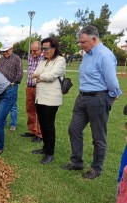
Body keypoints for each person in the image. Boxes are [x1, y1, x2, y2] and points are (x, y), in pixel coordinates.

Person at [61, 25, 122, 179]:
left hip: (98, 99)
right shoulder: (87, 54)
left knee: (98, 137)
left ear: (94, 39)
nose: (80, 45)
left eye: (83, 42)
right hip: (82, 98)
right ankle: (76, 162)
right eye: (79, 42)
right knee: (74, 129)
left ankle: (96, 168)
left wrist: (113, 95)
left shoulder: (105, 55)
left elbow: (112, 81)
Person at [31, 37, 66, 164]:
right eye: (43, 48)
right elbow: (33, 76)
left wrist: (39, 77)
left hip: (51, 100)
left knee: (48, 126)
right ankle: (45, 148)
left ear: (54, 48)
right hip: (40, 98)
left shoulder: (60, 60)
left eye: (46, 48)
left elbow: (51, 76)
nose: (44, 51)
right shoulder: (43, 61)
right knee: (42, 124)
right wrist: (39, 77)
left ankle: (50, 153)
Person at [0, 41, 23, 131]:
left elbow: (20, 73)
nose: (5, 53)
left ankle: (13, 124)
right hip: (1, 86)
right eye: (3, 51)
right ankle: (2, 122)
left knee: (13, 106)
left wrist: (14, 82)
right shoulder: (1, 59)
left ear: (11, 49)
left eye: (6, 51)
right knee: (1, 105)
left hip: (12, 86)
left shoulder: (17, 59)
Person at [21, 41, 44, 142]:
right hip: (29, 87)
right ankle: (32, 130)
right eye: (31, 50)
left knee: (40, 111)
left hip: (40, 87)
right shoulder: (30, 57)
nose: (33, 52)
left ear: (40, 49)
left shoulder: (45, 58)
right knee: (30, 109)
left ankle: (40, 134)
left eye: (35, 50)